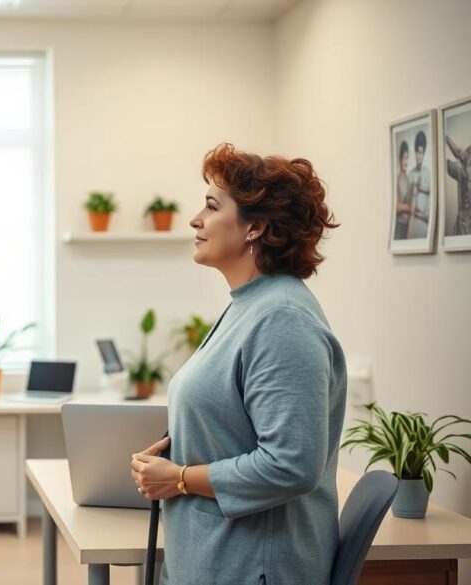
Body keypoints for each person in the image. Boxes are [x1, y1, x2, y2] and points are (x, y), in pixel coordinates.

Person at [130, 143, 346, 585]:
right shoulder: (249, 305)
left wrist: (182, 478)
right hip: (214, 557)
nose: (195, 219)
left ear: (256, 228)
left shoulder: (281, 319)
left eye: (211, 206)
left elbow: (290, 464)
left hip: (252, 568)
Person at [407, 130, 432, 239]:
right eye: (417, 152)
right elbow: (408, 207)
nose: (418, 156)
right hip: (412, 228)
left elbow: (430, 215)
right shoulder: (410, 175)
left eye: (421, 152)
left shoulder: (428, 174)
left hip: (425, 231)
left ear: (424, 153)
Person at [445, 134, 471, 235]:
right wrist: (446, 139)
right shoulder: (460, 169)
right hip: (461, 224)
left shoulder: (462, 168)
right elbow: (441, 163)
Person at [394, 140, 413, 240]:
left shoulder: (407, 178)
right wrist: (410, 207)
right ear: (400, 159)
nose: (406, 161)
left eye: (408, 157)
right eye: (404, 158)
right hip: (399, 225)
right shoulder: (397, 179)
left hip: (407, 225)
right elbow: (396, 206)